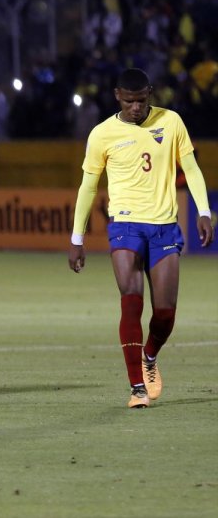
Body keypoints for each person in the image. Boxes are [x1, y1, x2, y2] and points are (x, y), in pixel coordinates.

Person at [68, 68, 213, 409]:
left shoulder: (172, 122)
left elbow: (190, 168)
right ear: (118, 96)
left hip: (163, 225)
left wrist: (203, 211)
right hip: (125, 225)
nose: (136, 107)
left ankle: (149, 357)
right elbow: (88, 186)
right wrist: (77, 237)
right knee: (131, 299)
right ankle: (136, 387)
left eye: (141, 100)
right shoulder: (102, 134)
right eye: (129, 101)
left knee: (165, 314)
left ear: (150, 94)